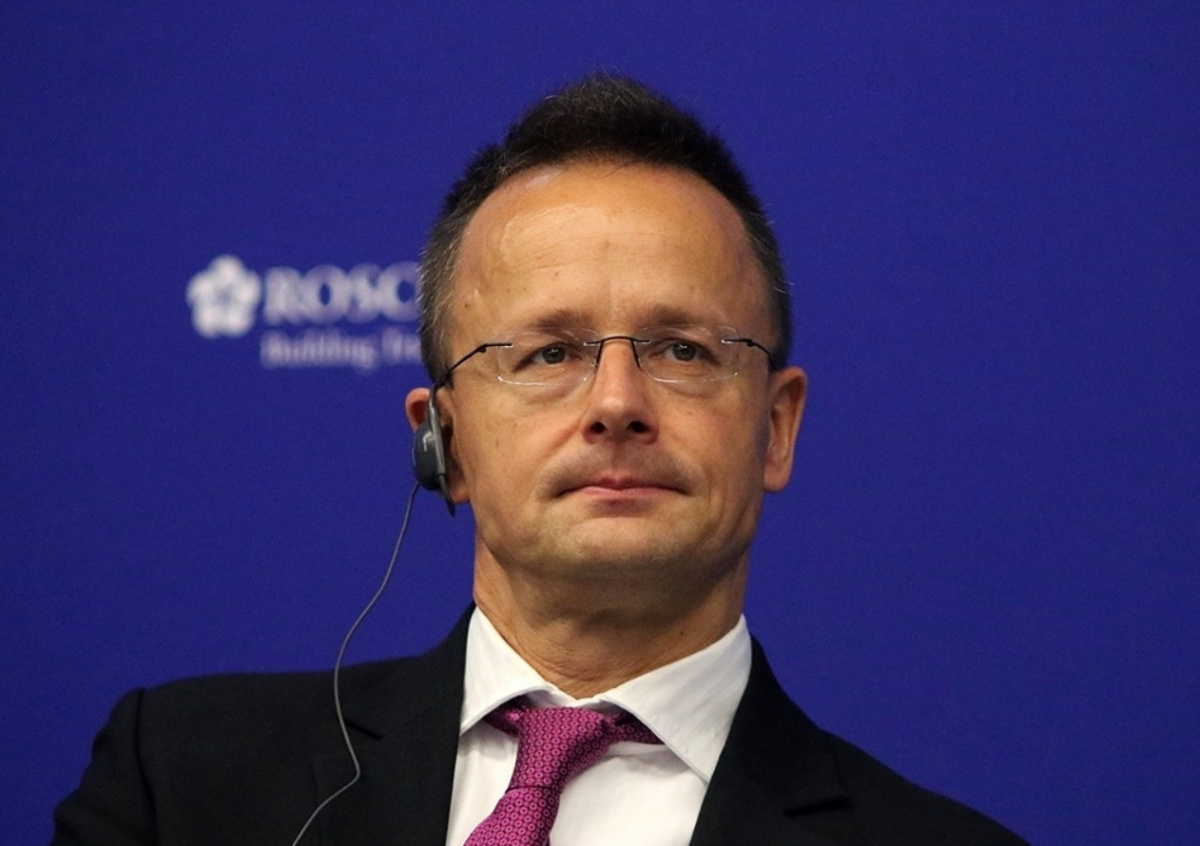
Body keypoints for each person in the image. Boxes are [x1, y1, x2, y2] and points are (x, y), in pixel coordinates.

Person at [51, 74, 1029, 846]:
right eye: (550, 354)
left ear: (776, 426)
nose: (617, 403)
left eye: (683, 350)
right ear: (444, 441)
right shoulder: (180, 783)